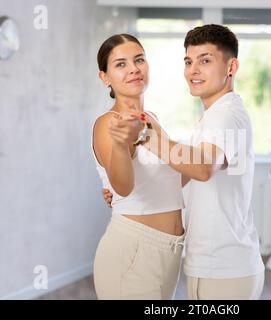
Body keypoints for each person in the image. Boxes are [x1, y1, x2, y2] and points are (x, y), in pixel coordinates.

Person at [103, 24, 265, 300]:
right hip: (219, 264)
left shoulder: (224, 115)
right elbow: (185, 172)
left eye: (205, 61)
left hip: (223, 267)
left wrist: (146, 136)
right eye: (189, 62)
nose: (193, 70)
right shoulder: (216, 115)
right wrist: (130, 191)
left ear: (231, 67)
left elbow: (202, 168)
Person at [92, 34, 185, 300]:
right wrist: (123, 145)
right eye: (121, 64)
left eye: (139, 60)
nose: (134, 68)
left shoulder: (152, 119)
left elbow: (179, 176)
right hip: (133, 250)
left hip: (169, 251)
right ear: (105, 77)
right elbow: (123, 187)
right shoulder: (108, 124)